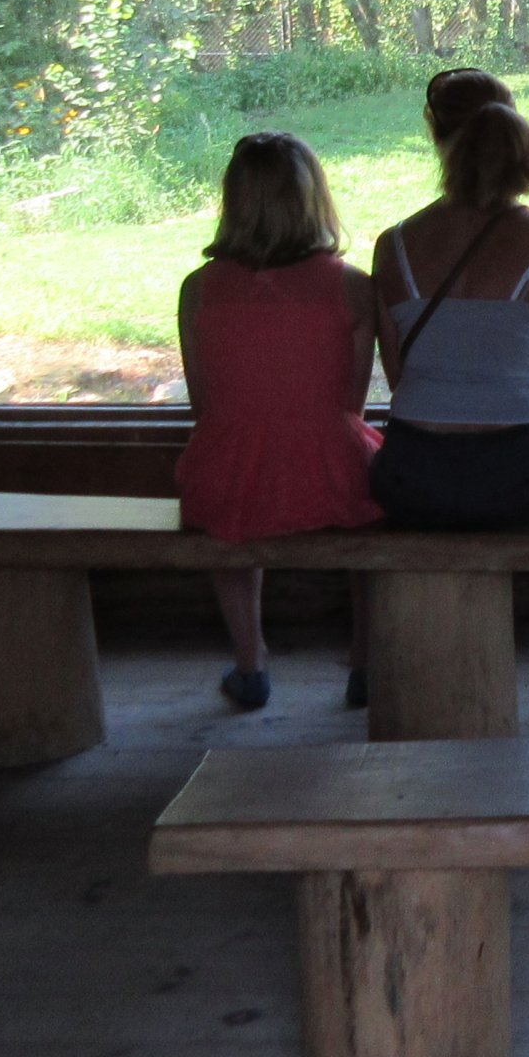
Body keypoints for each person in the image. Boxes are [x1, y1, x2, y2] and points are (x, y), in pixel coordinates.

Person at [368, 69, 529, 707]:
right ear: (519, 135)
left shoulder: (393, 245)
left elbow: (401, 378)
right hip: (523, 474)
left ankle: (377, 668)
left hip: (413, 475)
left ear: (434, 131)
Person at [173, 132, 384, 710]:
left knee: (225, 505)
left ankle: (251, 661)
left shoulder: (198, 290)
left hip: (227, 466)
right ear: (314, 198)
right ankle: (365, 661)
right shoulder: (351, 287)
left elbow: (205, 406)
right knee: (372, 495)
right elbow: (350, 402)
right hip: (329, 467)